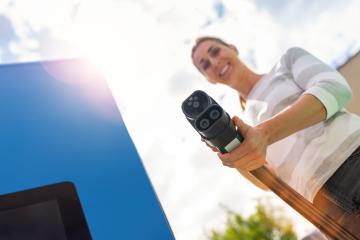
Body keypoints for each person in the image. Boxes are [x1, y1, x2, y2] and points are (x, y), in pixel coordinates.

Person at [191, 36, 360, 237]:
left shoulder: (286, 63)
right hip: (324, 209)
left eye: (215, 51)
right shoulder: (242, 127)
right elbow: (266, 182)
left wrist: (265, 134)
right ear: (209, 79)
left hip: (353, 159)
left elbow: (335, 89)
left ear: (232, 48)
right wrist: (229, 151)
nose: (214, 62)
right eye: (205, 65)